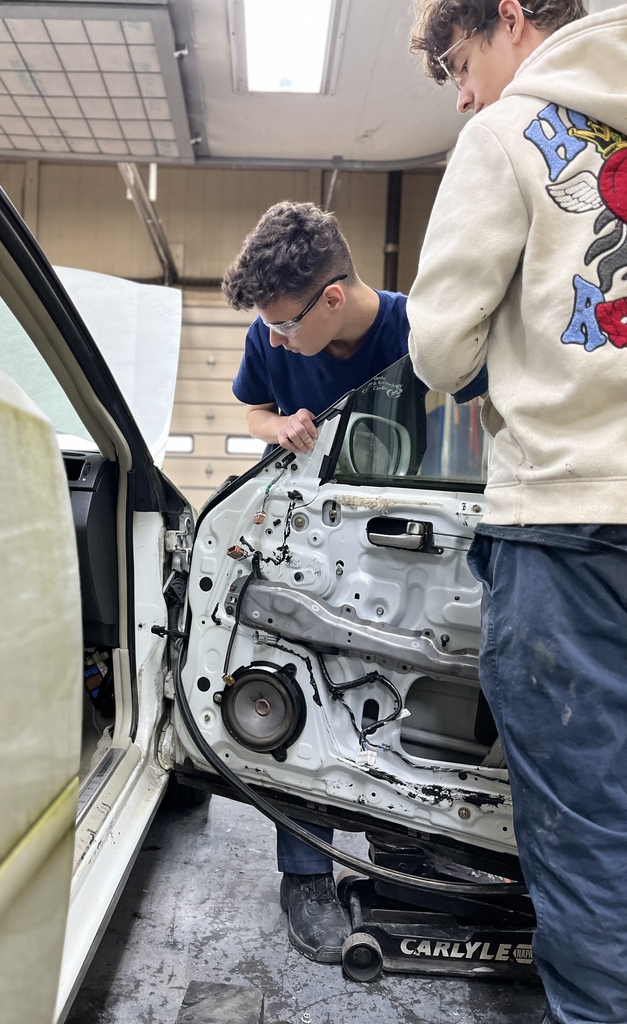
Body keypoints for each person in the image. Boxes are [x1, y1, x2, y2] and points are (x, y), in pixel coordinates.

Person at [407, 3, 627, 1023]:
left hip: (569, 528)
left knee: (592, 839)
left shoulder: (506, 135)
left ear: (508, 17)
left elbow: (440, 348)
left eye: (460, 62)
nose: (461, 91)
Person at [221, 200, 409, 962]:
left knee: (396, 689)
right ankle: (304, 870)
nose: (273, 336)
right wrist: (280, 426)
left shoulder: (419, 331)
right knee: (299, 686)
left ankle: (404, 849)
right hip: (305, 538)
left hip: (402, 547)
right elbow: (252, 411)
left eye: (284, 323)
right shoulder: (273, 332)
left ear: (332, 298)